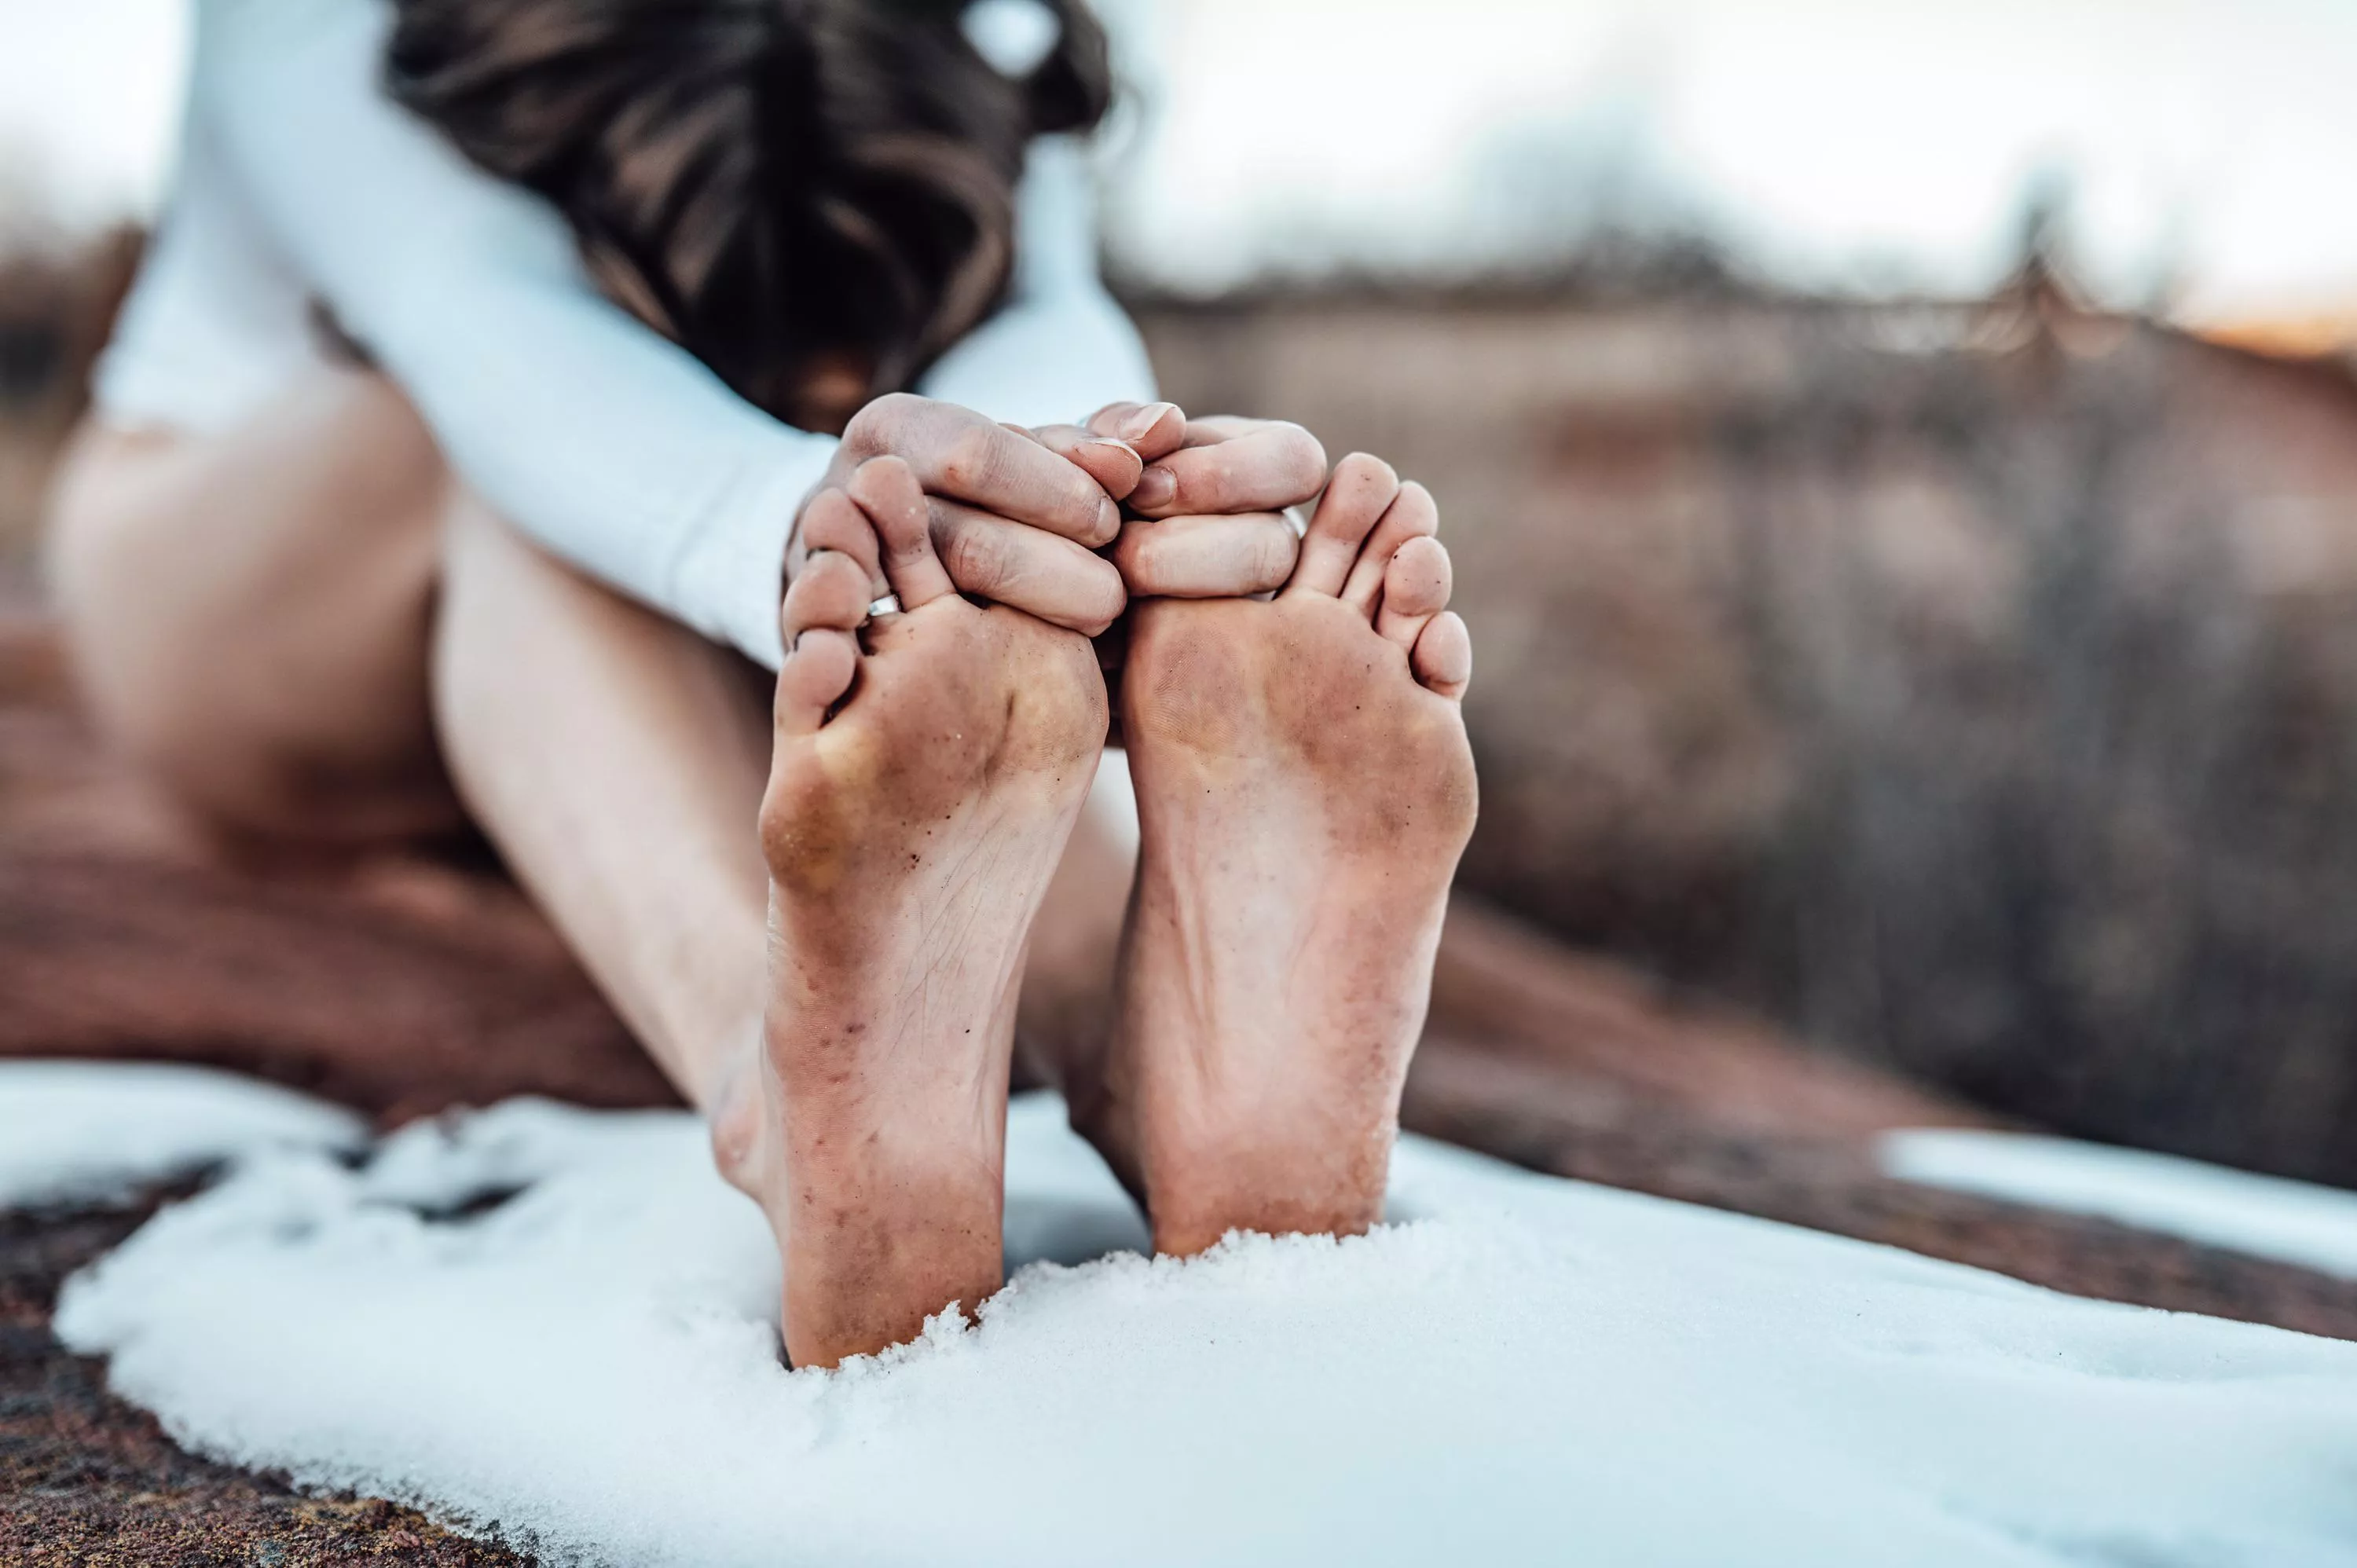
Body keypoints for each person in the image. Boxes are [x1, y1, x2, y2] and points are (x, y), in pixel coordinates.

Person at [44, 0, 1477, 1368]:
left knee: (961, 686)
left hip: (713, 579)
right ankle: (773, 1083)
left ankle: (1147, 1063)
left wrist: (1079, 492)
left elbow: (1044, 298)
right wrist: (833, 537)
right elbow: (484, 328)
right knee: (517, 473)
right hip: (291, 583)